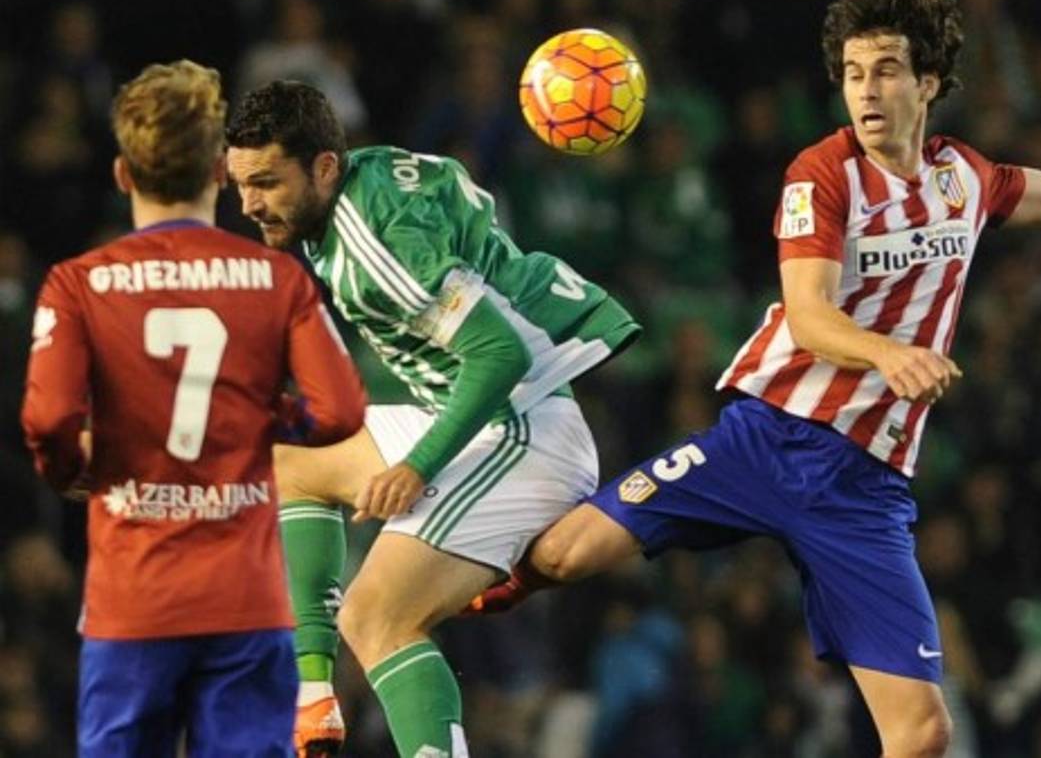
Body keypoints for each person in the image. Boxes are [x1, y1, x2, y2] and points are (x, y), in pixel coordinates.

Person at [466, 0, 1041, 758]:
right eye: (851, 74)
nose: (866, 91)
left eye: (884, 72)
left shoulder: (964, 180)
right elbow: (808, 315)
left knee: (921, 734)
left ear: (929, 82)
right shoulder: (821, 175)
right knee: (560, 558)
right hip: (766, 441)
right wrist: (891, 355)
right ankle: (431, 592)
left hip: (864, 490)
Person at [224, 81, 640, 758]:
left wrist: (418, 467)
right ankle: (311, 695)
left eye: (267, 183)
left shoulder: (370, 245)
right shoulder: (369, 177)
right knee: (287, 455)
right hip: (473, 413)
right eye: (240, 183)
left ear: (325, 166)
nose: (249, 204)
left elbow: (498, 352)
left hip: (517, 429)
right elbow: (449, 190)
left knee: (377, 617)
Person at [20, 60, 366, 757]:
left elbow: (49, 419)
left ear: (123, 174)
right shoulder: (276, 278)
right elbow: (340, 409)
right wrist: (263, 422)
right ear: (218, 172)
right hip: (245, 598)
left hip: (133, 597)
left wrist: (69, 468)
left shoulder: (76, 284)